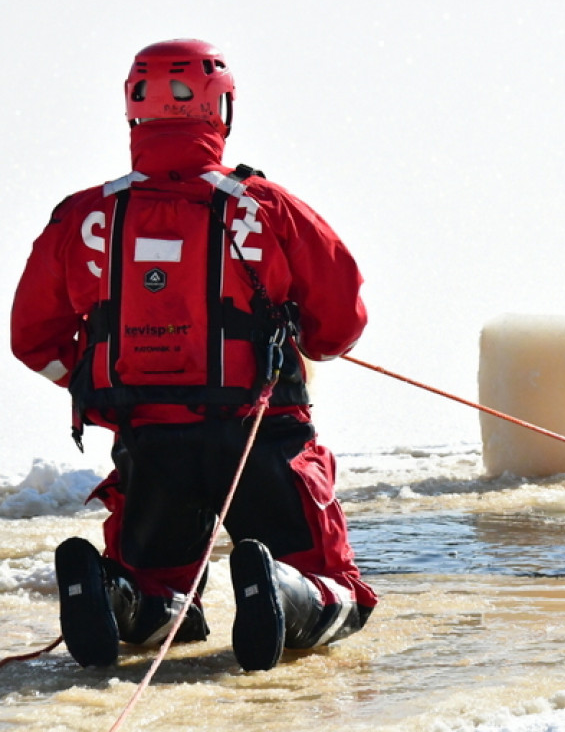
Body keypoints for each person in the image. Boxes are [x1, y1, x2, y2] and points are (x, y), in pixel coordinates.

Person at [10, 39, 377, 671]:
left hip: (148, 446)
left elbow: (30, 338)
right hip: (262, 437)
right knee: (335, 588)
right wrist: (306, 344)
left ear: (132, 111)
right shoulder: (266, 206)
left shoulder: (83, 215)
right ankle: (279, 591)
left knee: (164, 592)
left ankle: (119, 597)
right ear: (221, 109)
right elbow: (340, 320)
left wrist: (100, 380)